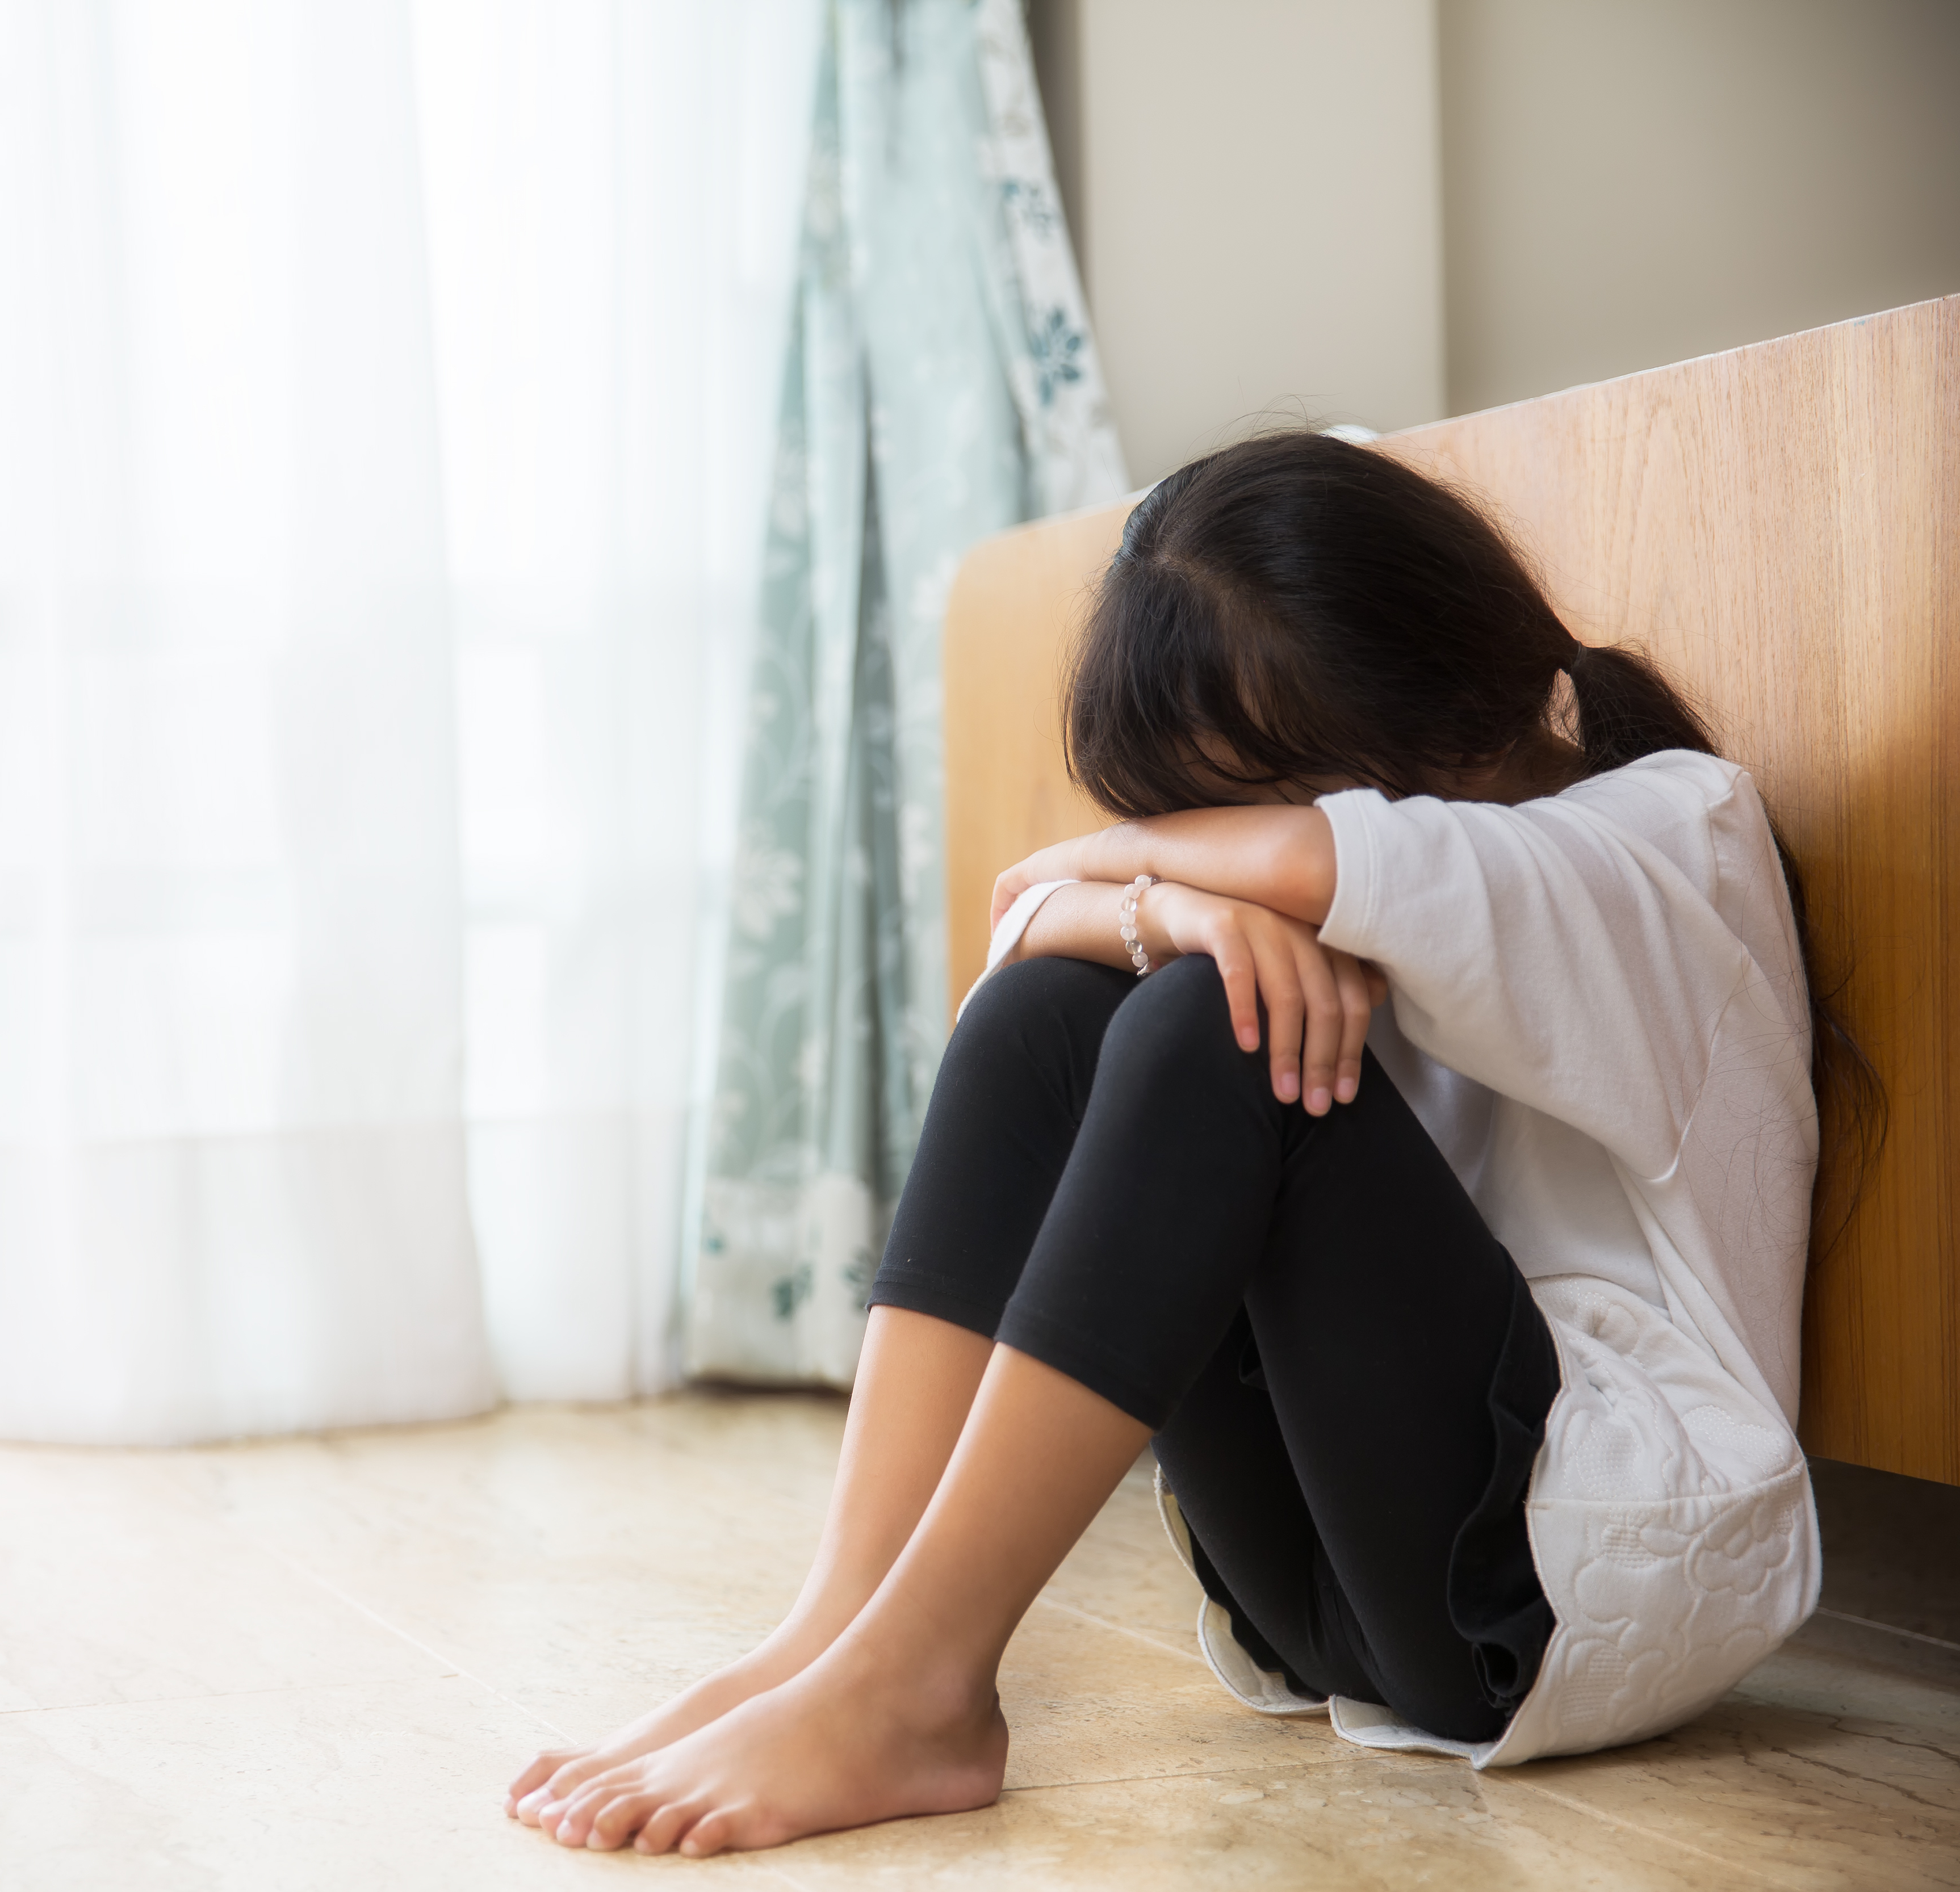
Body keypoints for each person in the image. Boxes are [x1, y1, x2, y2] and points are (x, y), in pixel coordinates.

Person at [504, 431, 1849, 1857]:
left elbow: (1266, 867)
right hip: (1329, 1588)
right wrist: (1164, 905)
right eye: (1177, 813)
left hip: (1570, 1572)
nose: (1201, 842)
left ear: (1457, 716)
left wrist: (1134, 885)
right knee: (1050, 1012)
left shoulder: (1667, 831)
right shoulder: (1364, 854)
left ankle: (918, 1682)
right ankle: (843, 1627)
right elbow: (1026, 936)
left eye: (1234, 802)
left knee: (1213, 1022)